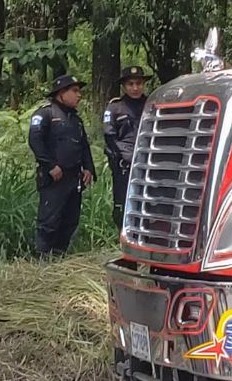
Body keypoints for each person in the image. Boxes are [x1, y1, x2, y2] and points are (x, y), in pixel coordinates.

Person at [28, 74, 95, 256]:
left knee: (70, 220)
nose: (79, 95)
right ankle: (42, 257)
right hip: (54, 177)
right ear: (61, 93)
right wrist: (49, 166)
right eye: (74, 91)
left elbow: (83, 146)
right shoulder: (45, 113)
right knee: (49, 220)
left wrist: (88, 168)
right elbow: (35, 140)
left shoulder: (75, 120)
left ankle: (59, 255)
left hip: (74, 177)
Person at [102, 66, 151, 227]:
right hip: (125, 163)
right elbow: (110, 136)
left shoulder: (152, 104)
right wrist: (125, 156)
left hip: (149, 160)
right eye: (131, 84)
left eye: (139, 83)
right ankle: (124, 233)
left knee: (149, 200)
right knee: (123, 202)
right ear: (124, 86)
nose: (135, 88)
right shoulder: (115, 108)